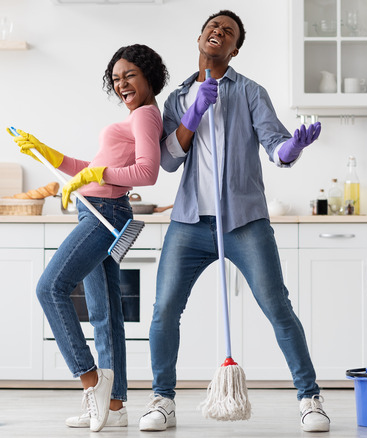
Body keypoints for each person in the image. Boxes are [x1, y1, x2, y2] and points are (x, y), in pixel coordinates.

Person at [139, 10, 328, 433]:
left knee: (278, 308)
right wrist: (193, 114)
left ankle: (310, 399)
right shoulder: (177, 98)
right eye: (213, 27)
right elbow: (168, 160)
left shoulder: (250, 92)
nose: (218, 33)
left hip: (244, 222)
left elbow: (276, 146)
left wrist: (292, 149)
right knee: (164, 310)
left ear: (234, 49)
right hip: (189, 222)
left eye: (228, 32)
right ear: (201, 36)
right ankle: (162, 400)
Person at [10, 44, 168, 432]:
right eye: (116, 79)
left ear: (148, 75)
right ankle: (114, 407)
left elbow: (147, 173)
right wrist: (49, 155)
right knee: (105, 313)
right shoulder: (135, 117)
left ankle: (91, 383)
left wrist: (95, 177)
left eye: (129, 75)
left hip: (104, 216)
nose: (122, 84)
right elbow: (93, 168)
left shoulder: (146, 116)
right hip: (97, 211)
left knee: (50, 289)